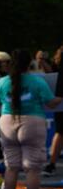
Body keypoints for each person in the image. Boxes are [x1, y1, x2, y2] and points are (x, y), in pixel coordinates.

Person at [0, 49, 62, 189]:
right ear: (30, 64)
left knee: (11, 167)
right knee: (32, 169)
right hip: (33, 123)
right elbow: (51, 103)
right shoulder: (37, 82)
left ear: (10, 64)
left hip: (7, 122)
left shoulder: (2, 83)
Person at [43, 46, 63, 176]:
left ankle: (52, 163)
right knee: (59, 133)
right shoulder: (58, 68)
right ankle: (51, 163)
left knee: (59, 133)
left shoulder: (58, 67)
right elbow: (50, 72)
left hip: (59, 103)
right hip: (60, 103)